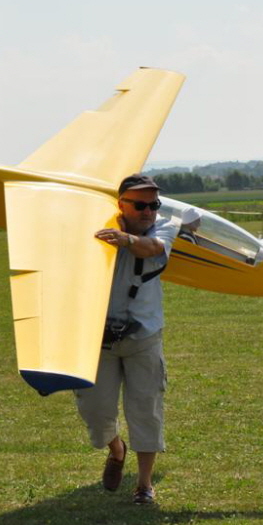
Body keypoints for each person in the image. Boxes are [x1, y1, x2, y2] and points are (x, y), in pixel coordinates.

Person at [79, 174, 178, 505]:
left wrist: (124, 239)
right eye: (140, 204)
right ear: (121, 204)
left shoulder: (164, 227)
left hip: (144, 337)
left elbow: (153, 248)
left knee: (145, 410)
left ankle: (144, 485)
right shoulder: (98, 226)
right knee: (95, 410)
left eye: (154, 204)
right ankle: (116, 449)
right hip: (100, 339)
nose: (148, 211)